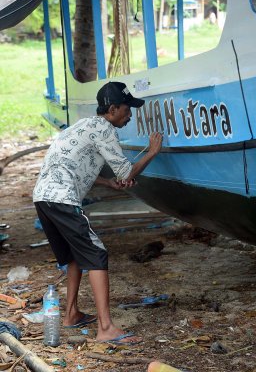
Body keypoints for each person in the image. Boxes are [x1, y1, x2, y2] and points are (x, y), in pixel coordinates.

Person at [33, 81, 162, 344]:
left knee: (73, 256)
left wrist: (108, 183)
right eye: (127, 110)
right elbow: (127, 172)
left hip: (43, 197)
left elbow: (73, 164)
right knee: (96, 253)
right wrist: (151, 152)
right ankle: (106, 328)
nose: (130, 115)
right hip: (62, 199)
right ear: (113, 108)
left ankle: (70, 315)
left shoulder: (82, 125)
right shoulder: (105, 129)